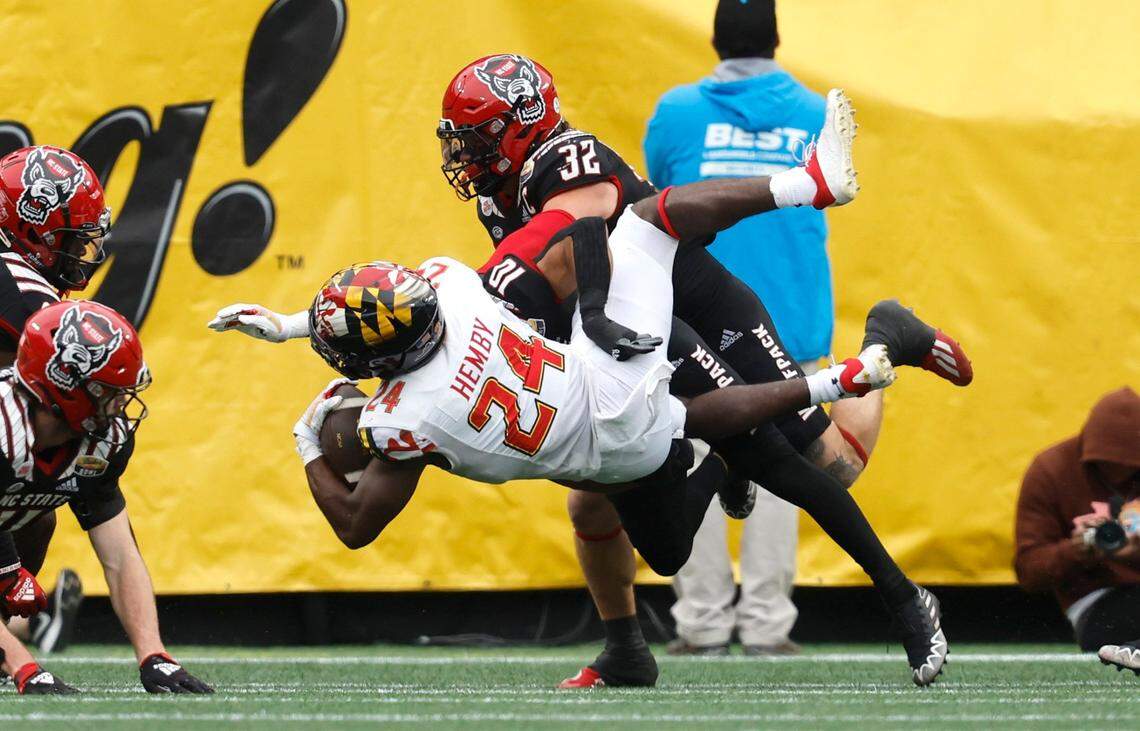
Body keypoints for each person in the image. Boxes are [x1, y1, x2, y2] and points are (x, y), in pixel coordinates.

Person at [212, 53, 972, 689]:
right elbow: (414, 303)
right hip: (613, 343)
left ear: (521, 126)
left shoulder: (564, 158)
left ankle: (887, 359)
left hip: (689, 309)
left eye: (477, 138)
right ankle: (626, 646)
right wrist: (296, 323)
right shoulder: (498, 194)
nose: (465, 156)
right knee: (594, 506)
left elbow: (579, 229)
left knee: (822, 465)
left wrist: (524, 296)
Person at [643, 0, 829, 655]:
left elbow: (659, 205)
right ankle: (768, 625)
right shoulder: (816, 113)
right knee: (786, 470)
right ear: (776, 38)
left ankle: (701, 624)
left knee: (689, 455)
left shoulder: (675, 113)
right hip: (789, 320)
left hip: (693, 320)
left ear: (715, 39)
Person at [0, 300, 212, 695]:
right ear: (65, 383)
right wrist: (24, 668)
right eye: (109, 391)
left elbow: (119, 555)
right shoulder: (4, 430)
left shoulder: (103, 442)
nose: (120, 405)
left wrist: (155, 655)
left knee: (36, 516)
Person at [0, 145, 117, 655]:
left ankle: (19, 635)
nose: (81, 250)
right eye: (71, 238)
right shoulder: (25, 293)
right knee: (26, 505)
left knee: (34, 508)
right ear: (35, 229)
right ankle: (20, 642)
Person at [1015, 386, 1140, 658]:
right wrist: (1077, 551)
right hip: (1096, 600)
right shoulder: (1052, 470)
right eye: (1106, 464)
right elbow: (1028, 571)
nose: (1119, 473)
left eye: (1132, 467)